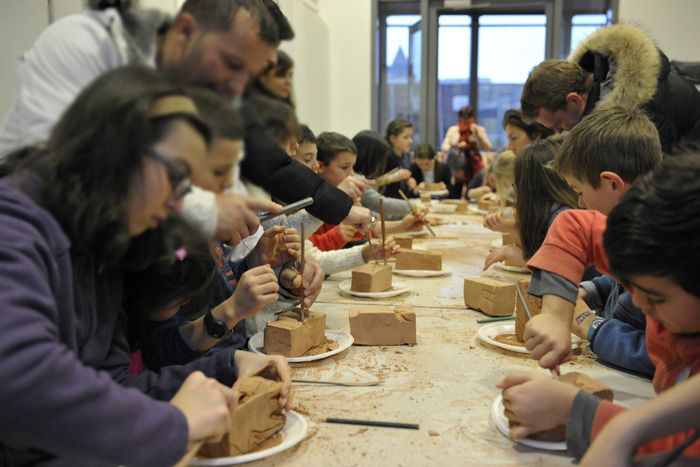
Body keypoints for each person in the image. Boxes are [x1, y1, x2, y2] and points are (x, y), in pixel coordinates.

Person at [0, 65, 292, 466]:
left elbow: (115, 385)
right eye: (176, 178)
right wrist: (171, 423)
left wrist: (228, 365)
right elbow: (20, 386)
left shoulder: (103, 245)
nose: (178, 205)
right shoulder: (15, 222)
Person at [0, 0, 369, 239]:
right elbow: (77, 168)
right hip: (36, 232)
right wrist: (207, 210)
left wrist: (262, 238)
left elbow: (266, 165)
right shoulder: (88, 43)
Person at [498, 152, 700, 461]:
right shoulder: (657, 256)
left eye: (657, 299)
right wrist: (555, 313)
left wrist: (581, 413)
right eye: (634, 287)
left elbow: (685, 449)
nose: (639, 303)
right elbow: (575, 227)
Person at [521, 106, 662, 372]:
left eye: (580, 191)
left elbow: (658, 356)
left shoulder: (669, 247)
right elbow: (616, 274)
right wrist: (584, 292)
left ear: (612, 184)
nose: (579, 202)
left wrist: (587, 323)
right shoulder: (636, 228)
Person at [521, 24, 700, 152]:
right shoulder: (605, 93)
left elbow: (656, 186)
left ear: (574, 100)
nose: (558, 132)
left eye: (559, 124)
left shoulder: (644, 111)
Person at [310, 132, 427, 252]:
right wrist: (336, 236)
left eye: (352, 167)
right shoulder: (311, 199)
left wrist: (401, 225)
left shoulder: (346, 196)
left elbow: (369, 224)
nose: (351, 174)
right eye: (344, 167)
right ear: (320, 167)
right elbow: (307, 250)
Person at [484, 140, 577, 270]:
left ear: (530, 186)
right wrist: (513, 227)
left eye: (518, 184)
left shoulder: (563, 217)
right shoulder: (549, 210)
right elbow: (536, 251)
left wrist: (509, 251)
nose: (516, 189)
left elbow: (551, 271)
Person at [352, 130, 411, 220]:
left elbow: (373, 219)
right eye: (406, 137)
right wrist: (415, 206)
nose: (410, 141)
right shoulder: (354, 179)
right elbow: (381, 206)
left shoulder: (361, 176)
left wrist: (405, 220)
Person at [383, 118, 417, 199]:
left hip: (402, 201)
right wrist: (394, 177)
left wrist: (409, 182)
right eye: (406, 137)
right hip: (387, 204)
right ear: (393, 138)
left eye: (411, 137)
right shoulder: (384, 157)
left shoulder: (406, 156)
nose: (410, 141)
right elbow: (374, 183)